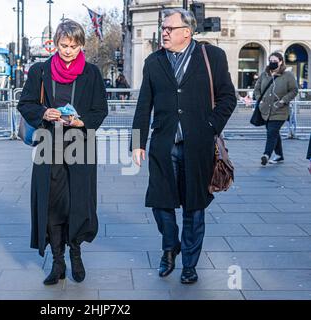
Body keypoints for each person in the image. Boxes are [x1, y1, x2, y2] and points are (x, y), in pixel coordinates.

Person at [131, 8, 236, 284]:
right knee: (159, 202)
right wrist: (136, 143)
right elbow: (144, 104)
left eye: (169, 28)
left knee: (194, 207)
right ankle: (170, 246)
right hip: (163, 145)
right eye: (163, 28)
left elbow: (228, 98)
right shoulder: (154, 61)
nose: (163, 32)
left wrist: (209, 127)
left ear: (187, 32)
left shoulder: (212, 57)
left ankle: (189, 264)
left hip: (197, 146)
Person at [17, 19, 108, 286]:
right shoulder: (40, 71)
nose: (68, 50)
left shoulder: (91, 73)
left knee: (77, 203)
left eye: (74, 46)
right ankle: (58, 262)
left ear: (81, 45)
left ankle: (76, 255)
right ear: (55, 44)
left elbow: (100, 110)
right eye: (63, 45)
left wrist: (82, 122)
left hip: (80, 144)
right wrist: (44, 112)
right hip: (49, 144)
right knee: (52, 205)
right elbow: (26, 103)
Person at [253, 52, 298, 165]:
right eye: (270, 61)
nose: (272, 63)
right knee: (273, 132)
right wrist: (260, 99)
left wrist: (283, 100)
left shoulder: (288, 75)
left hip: (280, 110)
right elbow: (257, 89)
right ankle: (279, 155)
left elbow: (294, 90)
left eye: (275, 61)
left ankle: (266, 155)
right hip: (265, 110)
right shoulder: (265, 74)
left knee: (272, 131)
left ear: (281, 61)